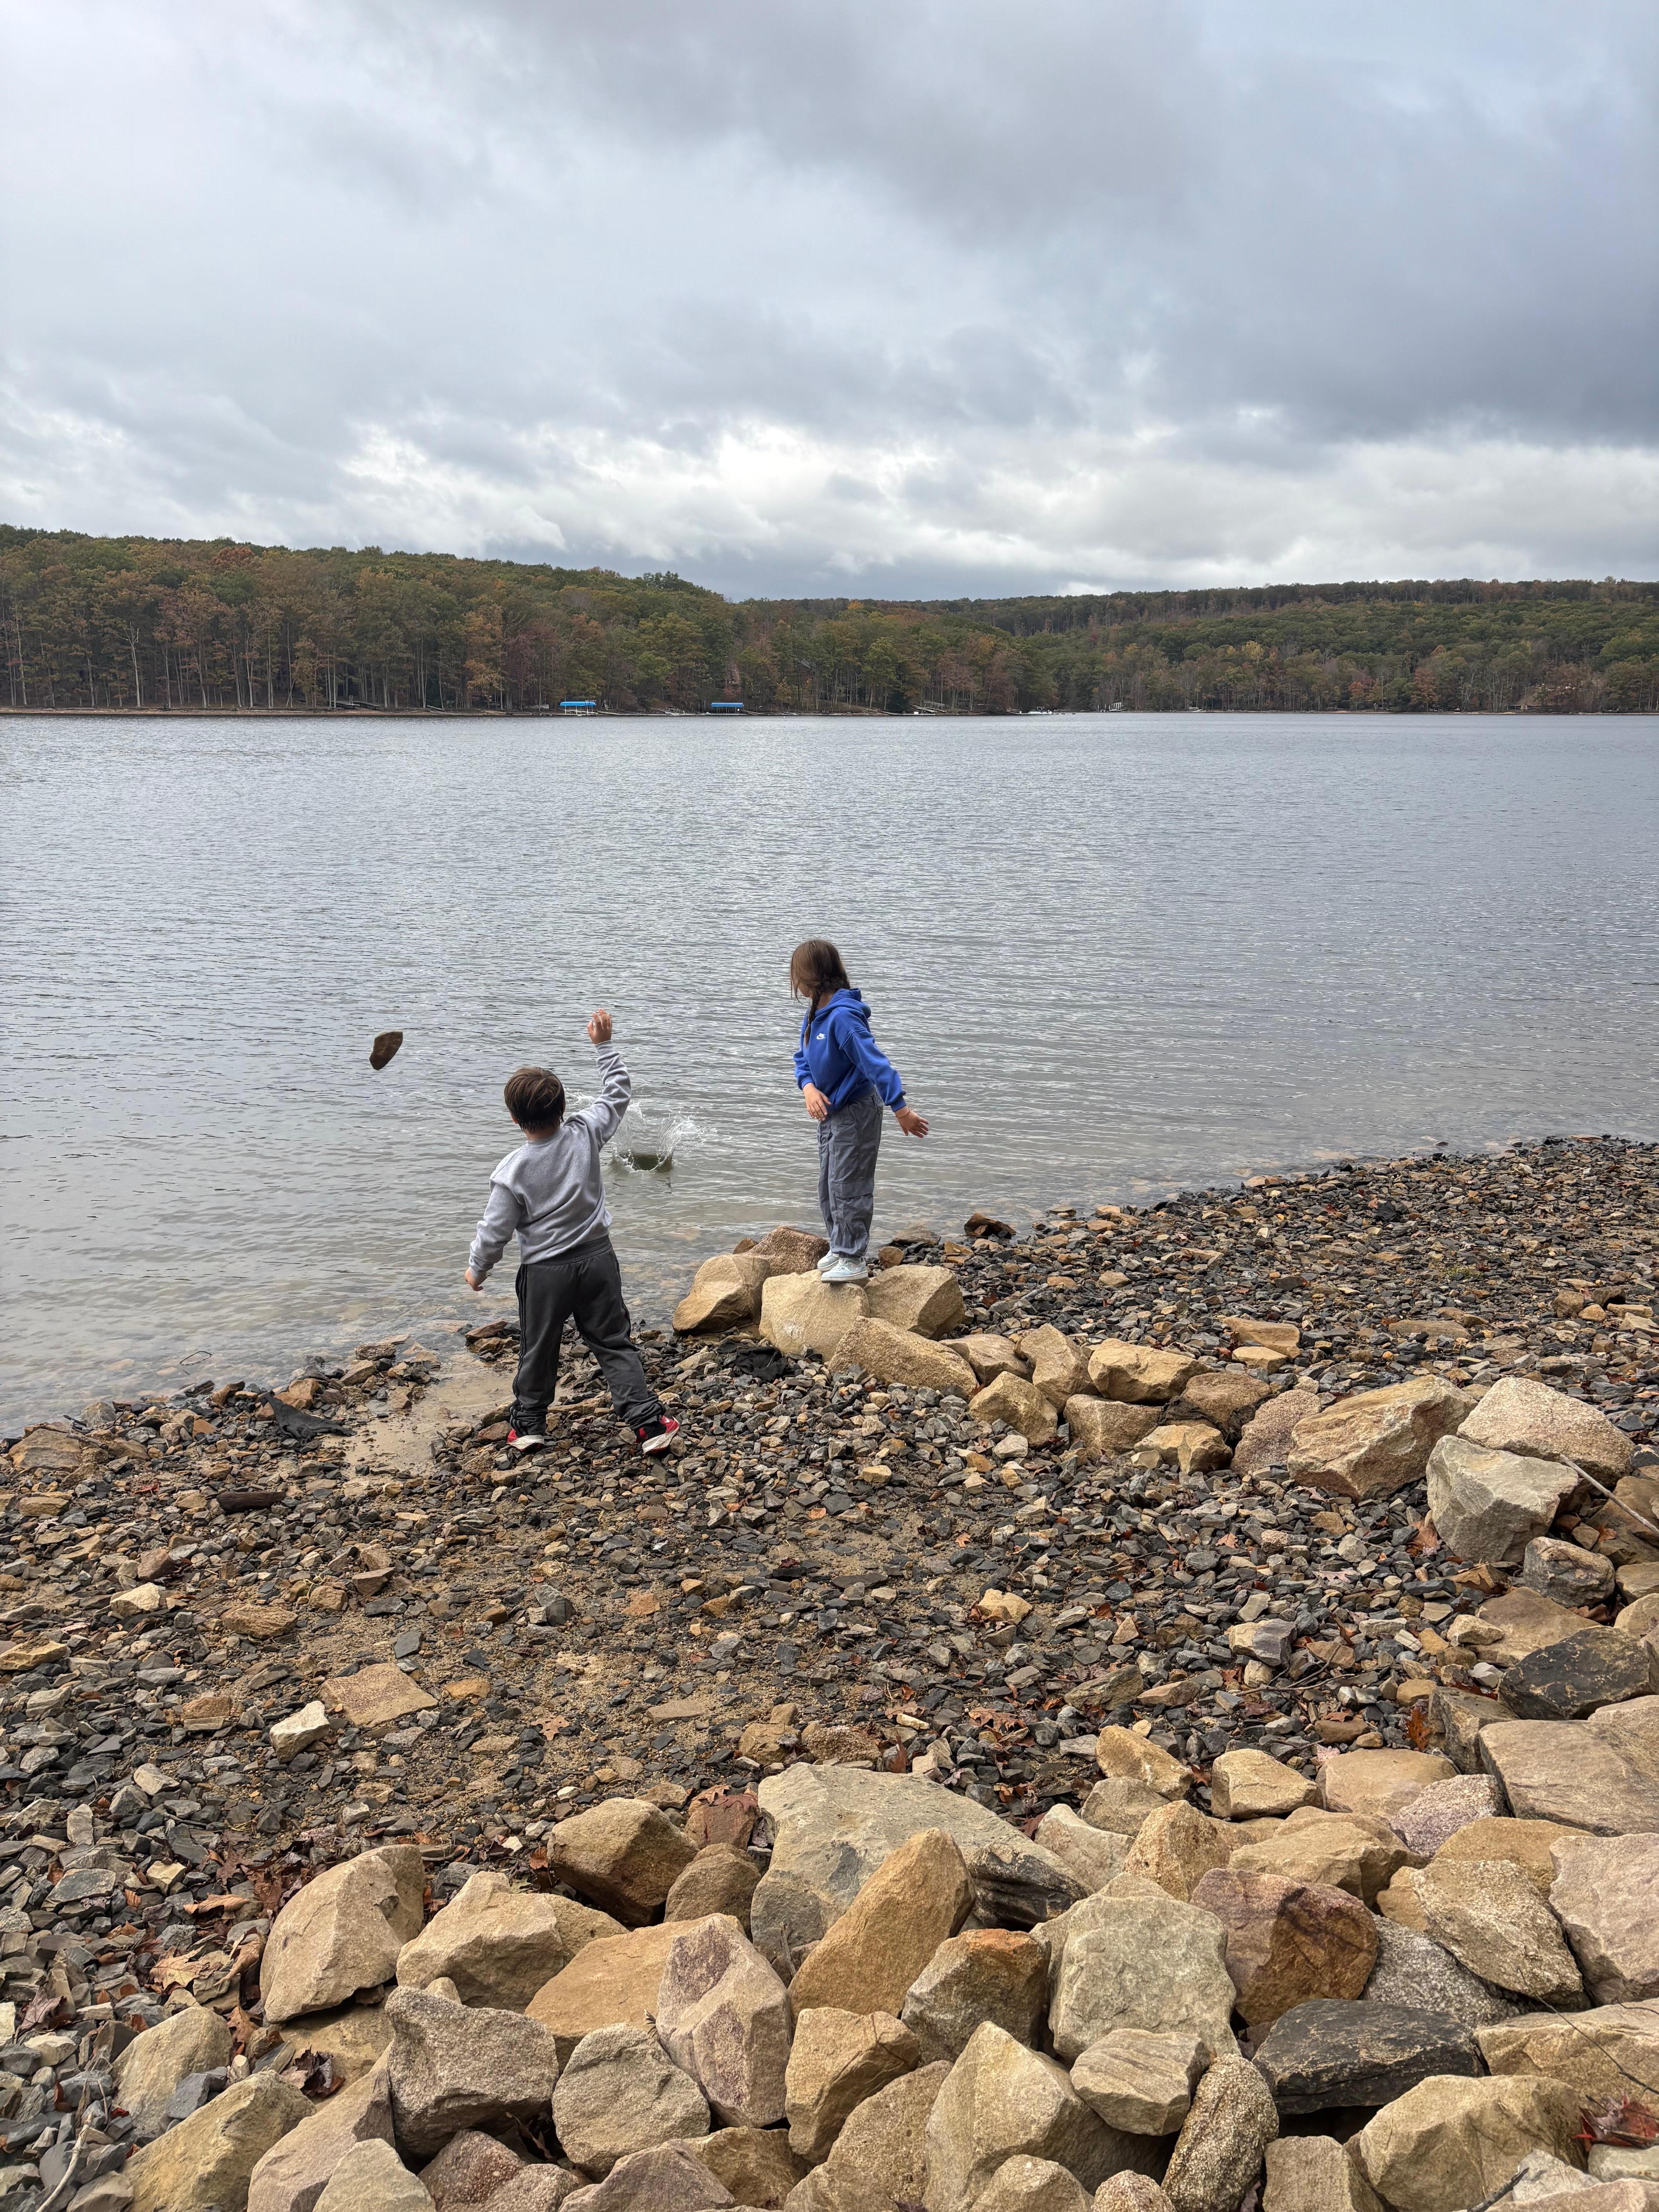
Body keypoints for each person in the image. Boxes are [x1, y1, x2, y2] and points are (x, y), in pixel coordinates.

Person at [465, 1010, 678, 1456]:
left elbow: (495, 1229)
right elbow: (619, 1093)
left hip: (545, 1272)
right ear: (564, 1109)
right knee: (612, 1341)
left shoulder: (513, 1170)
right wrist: (604, 1046)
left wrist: (477, 1269)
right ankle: (647, 1423)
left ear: (513, 1118)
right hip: (598, 1259)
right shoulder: (585, 1133)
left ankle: (528, 1426)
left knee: (538, 1347)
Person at [790, 939, 928, 1283]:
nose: (795, 983)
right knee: (828, 1185)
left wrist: (901, 1109)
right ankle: (840, 1247)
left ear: (812, 977)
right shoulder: (814, 1017)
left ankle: (853, 1258)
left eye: (797, 975)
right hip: (831, 1115)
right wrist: (808, 1088)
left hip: (856, 1111)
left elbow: (876, 1064)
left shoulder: (843, 1019)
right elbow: (801, 1062)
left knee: (849, 1184)